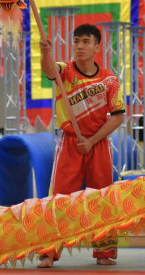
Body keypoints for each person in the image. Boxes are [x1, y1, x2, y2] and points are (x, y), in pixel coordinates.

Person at [37, 23, 125, 269]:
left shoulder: (109, 80)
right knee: (59, 198)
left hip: (98, 144)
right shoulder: (65, 70)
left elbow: (118, 117)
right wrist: (45, 53)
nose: (79, 46)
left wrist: (92, 141)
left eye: (86, 41)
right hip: (70, 143)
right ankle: (48, 252)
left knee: (102, 198)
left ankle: (104, 251)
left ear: (97, 46)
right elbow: (49, 70)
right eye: (76, 41)